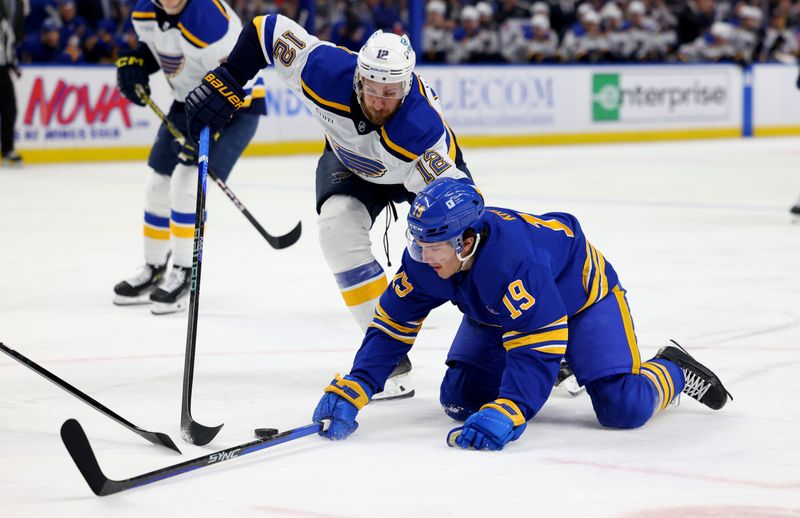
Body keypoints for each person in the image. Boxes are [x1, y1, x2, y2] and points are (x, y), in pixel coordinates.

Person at [311, 178, 733, 450]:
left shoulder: (515, 262)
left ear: (467, 241)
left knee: (622, 408)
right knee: (461, 402)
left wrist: (513, 408)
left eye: (433, 246)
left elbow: (536, 343)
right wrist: (358, 385)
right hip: (497, 313)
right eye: (417, 242)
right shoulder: (427, 257)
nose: (422, 256)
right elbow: (391, 325)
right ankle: (558, 367)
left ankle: (672, 370)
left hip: (582, 302)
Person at [184, 16, 474, 399]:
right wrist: (232, 77)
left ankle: (518, 330)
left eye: (391, 92)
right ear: (358, 77)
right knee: (336, 229)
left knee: (460, 252)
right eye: (372, 88)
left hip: (413, 174)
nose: (380, 101)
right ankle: (387, 355)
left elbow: (464, 209)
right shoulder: (323, 70)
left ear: (406, 88)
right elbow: (265, 30)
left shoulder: (421, 131)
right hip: (347, 159)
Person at [112, 0, 265, 315]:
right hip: (188, 103)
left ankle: (184, 271)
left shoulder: (209, 22)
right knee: (156, 184)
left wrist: (215, 132)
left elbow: (240, 81)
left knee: (185, 183)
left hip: (236, 107)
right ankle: (154, 266)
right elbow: (162, 53)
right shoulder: (144, 13)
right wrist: (136, 63)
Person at [0, 0, 23, 167]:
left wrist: (14, 65)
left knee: (10, 110)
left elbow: (10, 46)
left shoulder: (5, 23)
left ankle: (7, 149)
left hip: (2, 70)